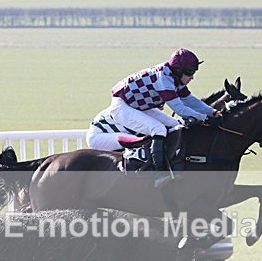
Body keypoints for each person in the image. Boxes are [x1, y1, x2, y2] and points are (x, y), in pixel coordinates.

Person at [92, 48, 223, 187]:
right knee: (158, 129)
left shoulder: (173, 77)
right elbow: (179, 109)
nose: (192, 77)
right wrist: (203, 117)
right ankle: (159, 174)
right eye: (190, 73)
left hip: (138, 106)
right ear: (178, 71)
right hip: (122, 107)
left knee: (174, 125)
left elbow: (190, 100)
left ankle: (172, 164)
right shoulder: (164, 80)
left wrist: (212, 112)